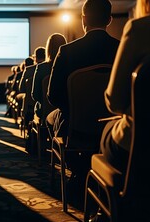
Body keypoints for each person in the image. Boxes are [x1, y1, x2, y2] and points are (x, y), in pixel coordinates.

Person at [100, 0, 150, 174]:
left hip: (142, 142)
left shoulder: (140, 28)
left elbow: (115, 102)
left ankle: (120, 193)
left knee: (106, 130)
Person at [46, 0, 120, 140]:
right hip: (112, 124)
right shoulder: (121, 49)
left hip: (74, 125)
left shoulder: (67, 51)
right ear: (109, 20)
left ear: (83, 19)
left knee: (50, 119)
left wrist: (74, 109)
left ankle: (64, 157)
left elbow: (53, 96)